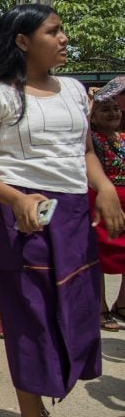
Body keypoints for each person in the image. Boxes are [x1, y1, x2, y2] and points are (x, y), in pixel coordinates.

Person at [0, 4, 125, 417]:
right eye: (53, 31)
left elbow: (85, 151)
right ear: (23, 41)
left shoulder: (73, 90)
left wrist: (106, 188)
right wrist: (15, 198)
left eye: (62, 29)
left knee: (76, 311)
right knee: (30, 321)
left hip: (71, 214)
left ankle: (49, 387)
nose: (64, 38)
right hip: (19, 218)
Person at [88, 94, 125, 332]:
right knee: (98, 255)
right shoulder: (92, 141)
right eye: (105, 110)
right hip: (100, 200)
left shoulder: (123, 139)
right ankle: (99, 307)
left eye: (115, 109)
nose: (112, 114)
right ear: (93, 117)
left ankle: (122, 304)